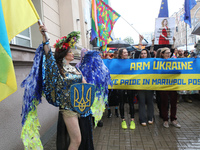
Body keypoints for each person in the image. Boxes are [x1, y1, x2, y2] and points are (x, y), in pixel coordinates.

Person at [39, 25, 91, 150]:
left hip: (81, 107)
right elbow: (48, 56)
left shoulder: (75, 68)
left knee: (83, 139)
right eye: (70, 52)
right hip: (68, 109)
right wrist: (44, 35)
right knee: (76, 140)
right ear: (63, 54)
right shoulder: (57, 70)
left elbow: (84, 84)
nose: (73, 54)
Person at [158, 47, 181, 128]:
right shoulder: (158, 62)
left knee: (174, 103)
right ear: (162, 54)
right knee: (164, 103)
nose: (168, 54)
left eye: (169, 53)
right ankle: (165, 120)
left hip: (173, 85)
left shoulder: (174, 61)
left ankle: (173, 119)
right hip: (163, 85)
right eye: (167, 53)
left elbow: (179, 71)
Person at [137, 35, 154, 126]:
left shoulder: (151, 61)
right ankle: (142, 119)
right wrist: (140, 41)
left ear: (147, 54)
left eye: (145, 53)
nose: (143, 55)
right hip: (140, 86)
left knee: (150, 102)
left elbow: (152, 52)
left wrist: (152, 44)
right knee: (142, 103)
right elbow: (138, 51)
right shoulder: (137, 62)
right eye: (142, 53)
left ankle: (150, 117)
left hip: (150, 85)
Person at [118, 48, 136, 130]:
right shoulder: (117, 62)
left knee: (131, 103)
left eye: (126, 52)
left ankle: (132, 120)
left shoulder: (131, 61)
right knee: (121, 103)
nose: (126, 54)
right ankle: (123, 120)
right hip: (120, 85)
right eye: (124, 52)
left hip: (130, 84)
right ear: (121, 54)